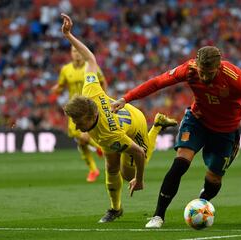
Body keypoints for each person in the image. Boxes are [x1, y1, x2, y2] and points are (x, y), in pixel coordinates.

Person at [111, 46, 241, 228]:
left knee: (214, 179)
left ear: (218, 68)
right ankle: (158, 216)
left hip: (226, 131)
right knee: (180, 164)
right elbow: (157, 82)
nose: (203, 77)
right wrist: (126, 98)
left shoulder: (235, 77)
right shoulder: (190, 69)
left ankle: (202, 203)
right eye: (201, 72)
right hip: (197, 121)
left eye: (209, 73)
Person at [60, 13, 177, 223]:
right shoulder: (91, 90)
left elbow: (139, 152)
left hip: (135, 123)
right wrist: (68, 35)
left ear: (90, 115)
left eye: (79, 122)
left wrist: (139, 180)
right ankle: (115, 209)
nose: (77, 127)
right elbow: (90, 59)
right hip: (113, 127)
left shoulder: (109, 134)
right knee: (110, 166)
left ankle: (157, 125)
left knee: (126, 173)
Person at [51, 41, 107, 183]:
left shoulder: (91, 67)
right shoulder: (66, 69)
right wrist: (57, 88)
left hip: (89, 108)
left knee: (83, 138)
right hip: (73, 110)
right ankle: (94, 168)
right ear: (71, 53)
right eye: (73, 51)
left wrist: (102, 99)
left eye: (78, 51)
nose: (76, 53)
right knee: (80, 140)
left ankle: (100, 152)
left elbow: (103, 82)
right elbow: (62, 84)